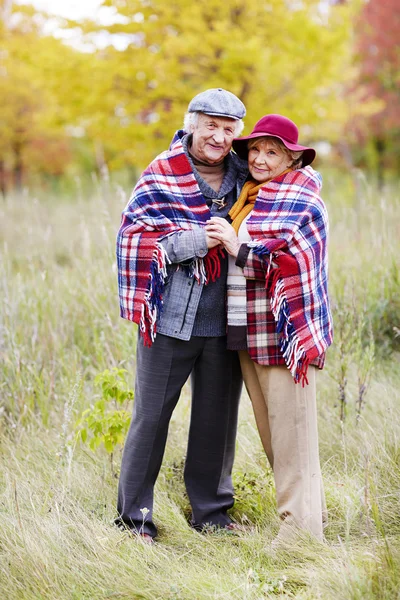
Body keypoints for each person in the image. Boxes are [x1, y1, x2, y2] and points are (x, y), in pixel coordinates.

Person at [115, 88, 248, 543]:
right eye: (210, 124)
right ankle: (135, 520)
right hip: (170, 318)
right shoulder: (161, 173)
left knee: (217, 422)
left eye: (229, 129)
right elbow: (135, 242)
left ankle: (211, 514)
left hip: (227, 320)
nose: (218, 136)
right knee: (151, 419)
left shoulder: (249, 176)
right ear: (192, 123)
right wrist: (200, 240)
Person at [205, 114, 333, 546]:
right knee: (274, 433)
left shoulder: (301, 197)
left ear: (292, 158)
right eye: (255, 150)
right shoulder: (253, 195)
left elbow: (284, 262)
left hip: (285, 330)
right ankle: (307, 521)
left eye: (271, 151)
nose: (259, 158)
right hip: (248, 327)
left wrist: (234, 244)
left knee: (294, 435)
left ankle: (298, 533)